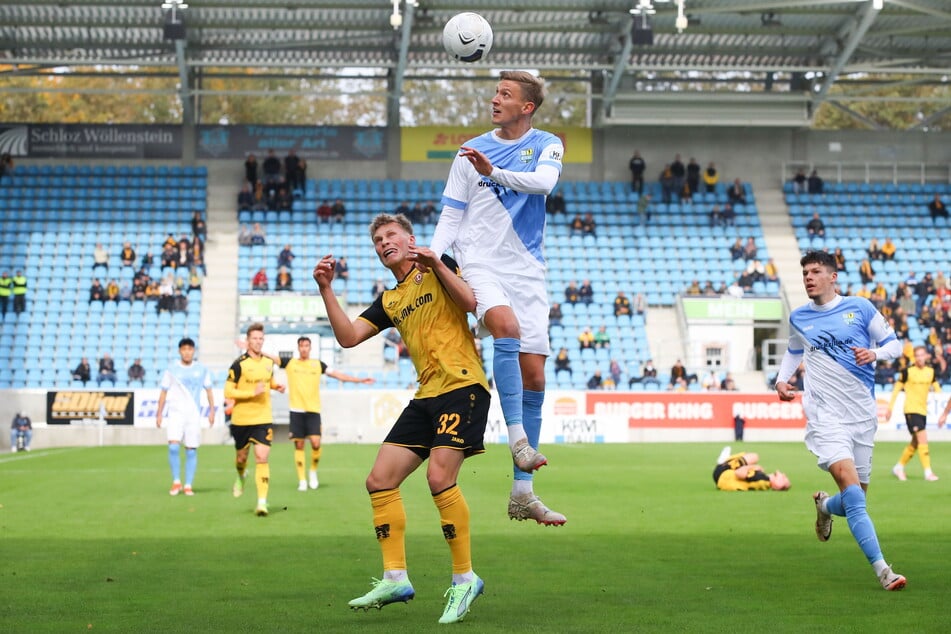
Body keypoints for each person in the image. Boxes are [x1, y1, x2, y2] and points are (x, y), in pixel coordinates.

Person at [313, 213, 489, 623]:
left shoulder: (438, 267)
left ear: (411, 239)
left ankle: (465, 579)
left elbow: (471, 303)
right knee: (379, 480)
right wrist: (326, 289)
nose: (383, 243)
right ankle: (396, 577)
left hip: (462, 387)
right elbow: (348, 337)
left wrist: (438, 264)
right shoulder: (390, 300)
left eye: (390, 235)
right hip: (426, 396)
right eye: (377, 240)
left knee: (439, 478)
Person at [427, 70, 566, 525]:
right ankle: (518, 440)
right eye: (496, 92)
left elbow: (545, 184)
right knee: (503, 327)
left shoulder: (548, 143)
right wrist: (434, 254)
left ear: (527, 106)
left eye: (505, 94)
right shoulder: (470, 151)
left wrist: (497, 173)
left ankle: (522, 494)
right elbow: (453, 213)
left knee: (536, 380)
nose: (495, 98)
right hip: (480, 261)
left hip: (527, 269)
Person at [775, 249, 906, 591]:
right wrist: (780, 380)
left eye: (815, 271)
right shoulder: (799, 317)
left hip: (862, 416)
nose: (808, 277)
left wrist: (874, 353)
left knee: (854, 500)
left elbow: (895, 345)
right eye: (805, 272)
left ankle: (824, 506)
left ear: (833, 277)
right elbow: (793, 350)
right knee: (853, 493)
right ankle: (883, 571)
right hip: (825, 417)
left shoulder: (860, 307)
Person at [264, 336, 374, 492]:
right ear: (298, 348)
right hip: (296, 411)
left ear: (310, 348)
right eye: (301, 346)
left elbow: (337, 375)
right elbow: (272, 358)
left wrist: (360, 380)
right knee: (299, 445)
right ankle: (302, 480)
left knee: (316, 443)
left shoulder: (318, 364)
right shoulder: (290, 363)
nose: (304, 348)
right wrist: (254, 348)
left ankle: (313, 471)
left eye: (306, 346)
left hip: (313, 411)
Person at [225, 323, 286, 516]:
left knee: (262, 457)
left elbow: (269, 382)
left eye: (261, 339)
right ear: (248, 341)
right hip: (241, 420)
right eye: (255, 339)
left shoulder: (268, 363)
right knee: (241, 458)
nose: (258, 342)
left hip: (263, 418)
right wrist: (252, 392)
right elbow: (228, 391)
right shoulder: (239, 364)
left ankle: (262, 503)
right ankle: (241, 475)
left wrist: (276, 386)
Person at [155, 338, 215, 496]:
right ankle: (176, 481)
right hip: (175, 413)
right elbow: (163, 391)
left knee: (191, 450)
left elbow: (208, 390)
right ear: (179, 351)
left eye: (190, 349)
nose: (187, 352)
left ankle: (188, 484)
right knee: (173, 446)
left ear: (194, 351)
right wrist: (159, 413)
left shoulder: (202, 369)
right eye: (184, 349)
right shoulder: (171, 369)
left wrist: (212, 411)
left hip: (193, 414)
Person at [887, 345, 942, 481]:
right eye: (917, 355)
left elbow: (937, 389)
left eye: (922, 355)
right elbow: (896, 389)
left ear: (926, 356)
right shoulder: (907, 372)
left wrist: (940, 398)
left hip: (923, 411)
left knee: (916, 443)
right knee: (923, 439)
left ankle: (898, 467)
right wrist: (890, 408)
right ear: (914, 357)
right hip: (911, 410)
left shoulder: (930, 372)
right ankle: (928, 472)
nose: (920, 358)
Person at [712, 448, 790, 491]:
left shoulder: (762, 479)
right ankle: (726, 460)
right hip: (722, 480)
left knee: (754, 457)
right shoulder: (764, 481)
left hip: (721, 474)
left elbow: (739, 473)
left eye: (784, 478)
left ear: (778, 485)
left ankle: (724, 461)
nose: (784, 475)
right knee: (751, 457)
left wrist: (753, 467)